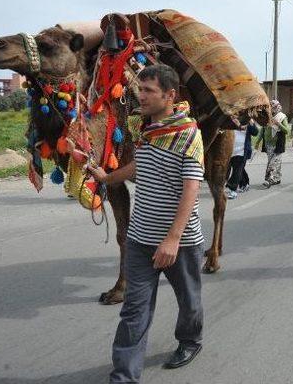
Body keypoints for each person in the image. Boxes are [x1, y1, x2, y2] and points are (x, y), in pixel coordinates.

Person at [88, 65, 205, 383]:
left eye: (148, 91)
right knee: (134, 311)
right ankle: (124, 377)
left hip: (180, 243)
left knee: (189, 301)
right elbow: (138, 165)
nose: (140, 95)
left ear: (170, 95)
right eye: (140, 89)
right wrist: (107, 177)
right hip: (140, 240)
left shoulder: (188, 135)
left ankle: (191, 340)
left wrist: (172, 239)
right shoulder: (146, 129)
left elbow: (191, 191)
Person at [256, 99, 290, 188]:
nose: (271, 109)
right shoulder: (267, 117)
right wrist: (258, 142)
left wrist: (279, 124)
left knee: (273, 162)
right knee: (275, 161)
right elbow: (262, 130)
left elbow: (287, 130)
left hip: (277, 143)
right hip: (268, 144)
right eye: (270, 107)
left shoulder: (282, 117)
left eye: (273, 107)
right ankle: (277, 178)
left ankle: (269, 180)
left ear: (277, 107)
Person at [226, 120, 259, 199]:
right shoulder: (230, 119)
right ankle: (245, 183)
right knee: (239, 169)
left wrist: (252, 123)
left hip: (242, 150)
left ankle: (233, 190)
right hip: (230, 149)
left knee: (237, 169)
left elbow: (255, 133)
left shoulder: (247, 120)